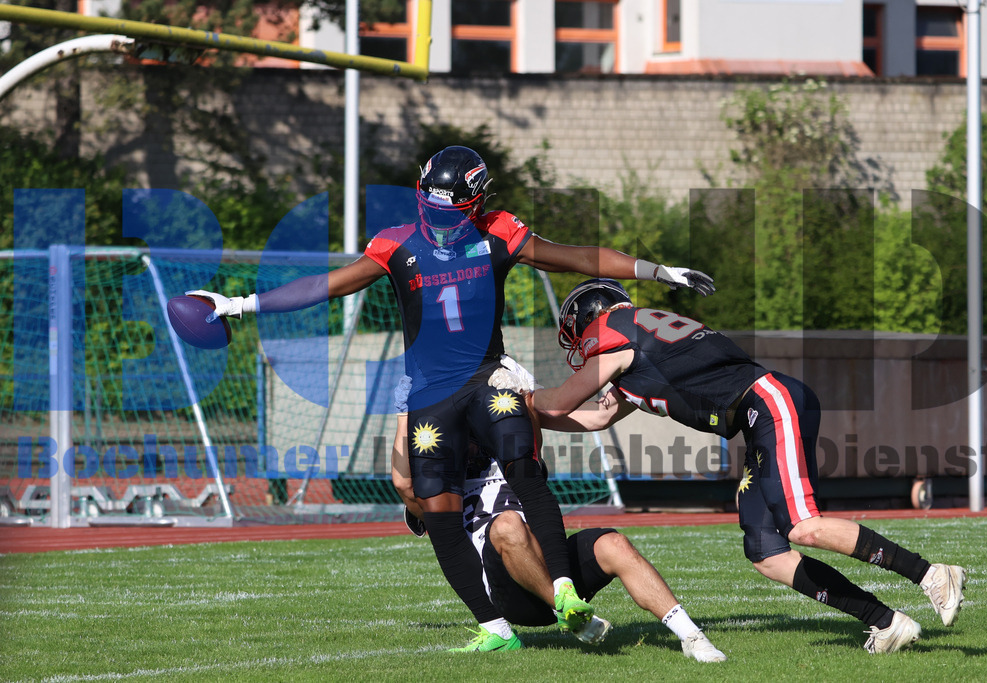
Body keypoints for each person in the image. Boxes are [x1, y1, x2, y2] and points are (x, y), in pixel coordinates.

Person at [187, 146, 715, 650]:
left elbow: (575, 257)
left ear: (476, 202)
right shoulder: (397, 244)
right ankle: (496, 624)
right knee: (431, 504)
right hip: (429, 394)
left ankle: (562, 590)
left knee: (524, 471)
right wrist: (240, 304)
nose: (441, 221)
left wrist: (656, 270)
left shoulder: (499, 233)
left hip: (487, 380)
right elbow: (328, 286)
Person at [526, 278, 967, 655]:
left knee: (802, 526)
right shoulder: (636, 345)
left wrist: (517, 401)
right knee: (766, 551)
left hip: (768, 403)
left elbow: (563, 399)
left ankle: (931, 574)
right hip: (758, 416)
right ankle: (885, 622)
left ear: (590, 318)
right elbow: (596, 417)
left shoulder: (613, 334)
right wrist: (526, 417)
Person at [392, 367, 727, 661]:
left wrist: (522, 397)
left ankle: (693, 638)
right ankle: (567, 611)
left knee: (615, 543)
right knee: (507, 525)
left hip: (551, 567)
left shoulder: (511, 456)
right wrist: (405, 416)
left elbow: (530, 442)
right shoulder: (438, 484)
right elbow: (405, 485)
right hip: (507, 590)